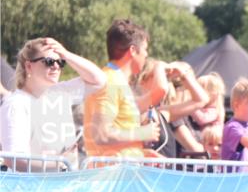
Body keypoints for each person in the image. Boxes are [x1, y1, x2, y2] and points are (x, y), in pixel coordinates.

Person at [1, 37, 107, 171]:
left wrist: (66, 54)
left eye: (60, 62)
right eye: (49, 61)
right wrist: (59, 163)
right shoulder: (16, 104)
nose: (56, 66)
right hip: (35, 189)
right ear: (29, 66)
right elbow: (14, 160)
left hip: (65, 186)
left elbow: (99, 80)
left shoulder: (61, 92)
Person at [83, 19, 160, 162]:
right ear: (132, 51)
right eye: (145, 49)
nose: (146, 55)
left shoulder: (116, 80)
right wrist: (143, 133)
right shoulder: (110, 81)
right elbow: (102, 134)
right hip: (113, 177)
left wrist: (141, 153)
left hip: (121, 174)